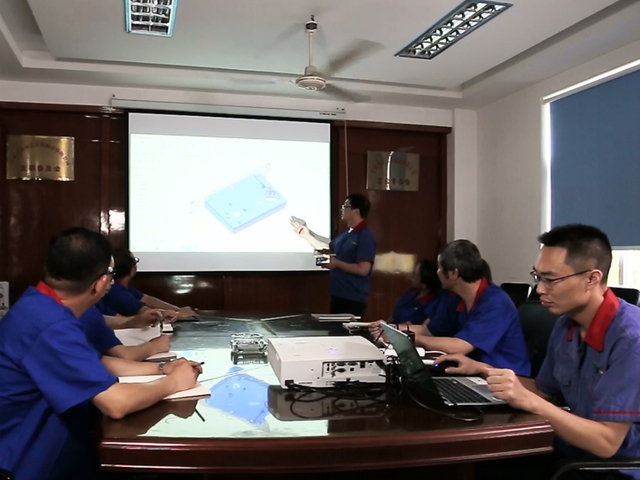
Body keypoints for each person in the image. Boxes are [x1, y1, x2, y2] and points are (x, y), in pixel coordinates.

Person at [438, 224, 640, 480]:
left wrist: (530, 401)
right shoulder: (566, 325)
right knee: (472, 464)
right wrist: (483, 370)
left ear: (592, 279)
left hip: (611, 468)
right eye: (538, 277)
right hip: (568, 449)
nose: (540, 289)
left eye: (550, 280)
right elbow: (543, 391)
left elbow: (606, 443)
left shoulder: (630, 339)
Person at [0, 227, 202, 480]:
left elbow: (95, 363)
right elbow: (116, 403)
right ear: (101, 283)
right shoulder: (51, 324)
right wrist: (173, 382)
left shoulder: (39, 304)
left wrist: (161, 368)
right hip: (23, 462)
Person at [415, 240, 530, 375]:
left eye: (439, 268)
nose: (437, 273)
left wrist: (415, 339)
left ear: (453, 274)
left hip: (505, 378)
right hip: (474, 372)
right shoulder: (456, 298)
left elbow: (460, 346)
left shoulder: (496, 302)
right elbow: (428, 331)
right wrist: (398, 332)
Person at [291, 193, 377, 320]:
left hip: (353, 298)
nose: (341, 209)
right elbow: (328, 247)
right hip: (338, 295)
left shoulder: (365, 236)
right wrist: (307, 235)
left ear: (356, 211)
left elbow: (363, 269)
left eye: (345, 206)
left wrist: (336, 263)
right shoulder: (346, 233)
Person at [97, 247, 197, 320]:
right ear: (132, 270)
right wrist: (179, 314)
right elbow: (147, 313)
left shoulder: (125, 289)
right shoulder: (117, 291)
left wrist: (178, 310)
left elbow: (148, 299)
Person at [82, 305, 171, 361]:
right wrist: (154, 347)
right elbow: (124, 355)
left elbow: (101, 321)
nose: (112, 283)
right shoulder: (86, 312)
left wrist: (133, 322)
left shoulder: (86, 309)